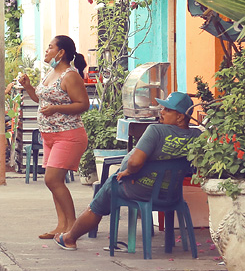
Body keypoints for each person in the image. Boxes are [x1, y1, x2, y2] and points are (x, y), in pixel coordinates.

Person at [56, 92, 200, 251]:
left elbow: (135, 161)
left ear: (180, 117)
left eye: (167, 110)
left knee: (99, 201)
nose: (161, 112)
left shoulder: (156, 131)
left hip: (137, 189)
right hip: (171, 193)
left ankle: (70, 238)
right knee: (109, 187)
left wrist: (129, 172)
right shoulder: (197, 136)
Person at [17, 35, 90, 240]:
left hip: (68, 135)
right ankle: (61, 225)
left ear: (61, 52)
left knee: (52, 179)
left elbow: (83, 104)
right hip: (49, 136)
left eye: (50, 47)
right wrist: (29, 86)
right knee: (53, 182)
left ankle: (73, 226)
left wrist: (57, 108)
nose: (46, 51)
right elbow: (40, 100)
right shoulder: (50, 73)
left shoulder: (70, 75)